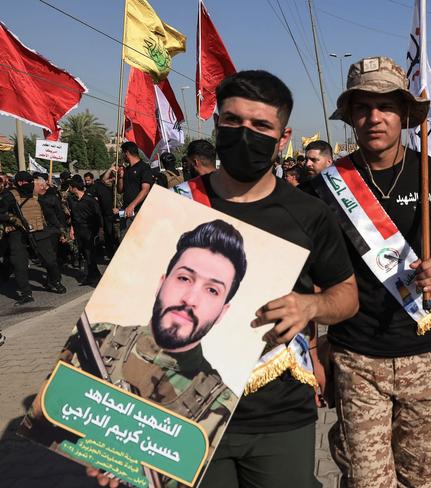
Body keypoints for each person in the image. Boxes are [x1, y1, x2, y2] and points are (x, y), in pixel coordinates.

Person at [90, 70, 358, 488]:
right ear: (216, 124)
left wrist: (313, 305)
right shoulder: (174, 207)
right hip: (179, 416)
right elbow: (131, 306)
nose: (245, 134)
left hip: (279, 413)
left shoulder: (309, 213)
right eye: (233, 121)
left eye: (261, 126)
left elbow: (347, 296)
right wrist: (114, 439)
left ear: (282, 137)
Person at [318, 56, 431, 488]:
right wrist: (313, 350)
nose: (374, 118)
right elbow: (312, 276)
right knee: (367, 480)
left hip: (429, 354)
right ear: (349, 116)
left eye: (385, 107)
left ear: (404, 114)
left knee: (421, 476)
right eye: (362, 108)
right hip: (357, 357)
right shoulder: (328, 187)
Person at [22, 220, 245, 487]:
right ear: (161, 284)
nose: (190, 299)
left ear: (222, 312)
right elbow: (32, 428)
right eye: (184, 278)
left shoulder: (222, 407)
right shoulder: (94, 339)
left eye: (212, 290)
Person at [0, 171, 66, 305]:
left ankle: (54, 281)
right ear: (20, 183)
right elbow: (1, 213)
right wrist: (13, 219)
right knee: (20, 264)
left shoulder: (35, 195)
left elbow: (47, 212)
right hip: (17, 233)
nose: (31, 184)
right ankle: (26, 294)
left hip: (39, 230)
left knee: (50, 260)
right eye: (28, 182)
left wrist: (60, 228)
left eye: (32, 182)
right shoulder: (9, 195)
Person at [68, 179, 103, 285]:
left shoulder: (90, 200)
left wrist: (101, 230)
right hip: (78, 230)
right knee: (83, 253)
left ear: (74, 187)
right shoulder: (72, 200)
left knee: (89, 253)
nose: (69, 189)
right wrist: (72, 229)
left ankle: (93, 276)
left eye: (70, 187)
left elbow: (98, 215)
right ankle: (92, 275)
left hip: (89, 230)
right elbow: (73, 216)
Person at [112, 141, 154, 227]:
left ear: (126, 153)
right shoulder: (127, 169)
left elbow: (145, 189)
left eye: (122, 153)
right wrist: (120, 177)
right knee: (123, 236)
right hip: (125, 211)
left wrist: (132, 205)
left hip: (139, 211)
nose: (121, 156)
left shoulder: (144, 167)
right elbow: (120, 190)